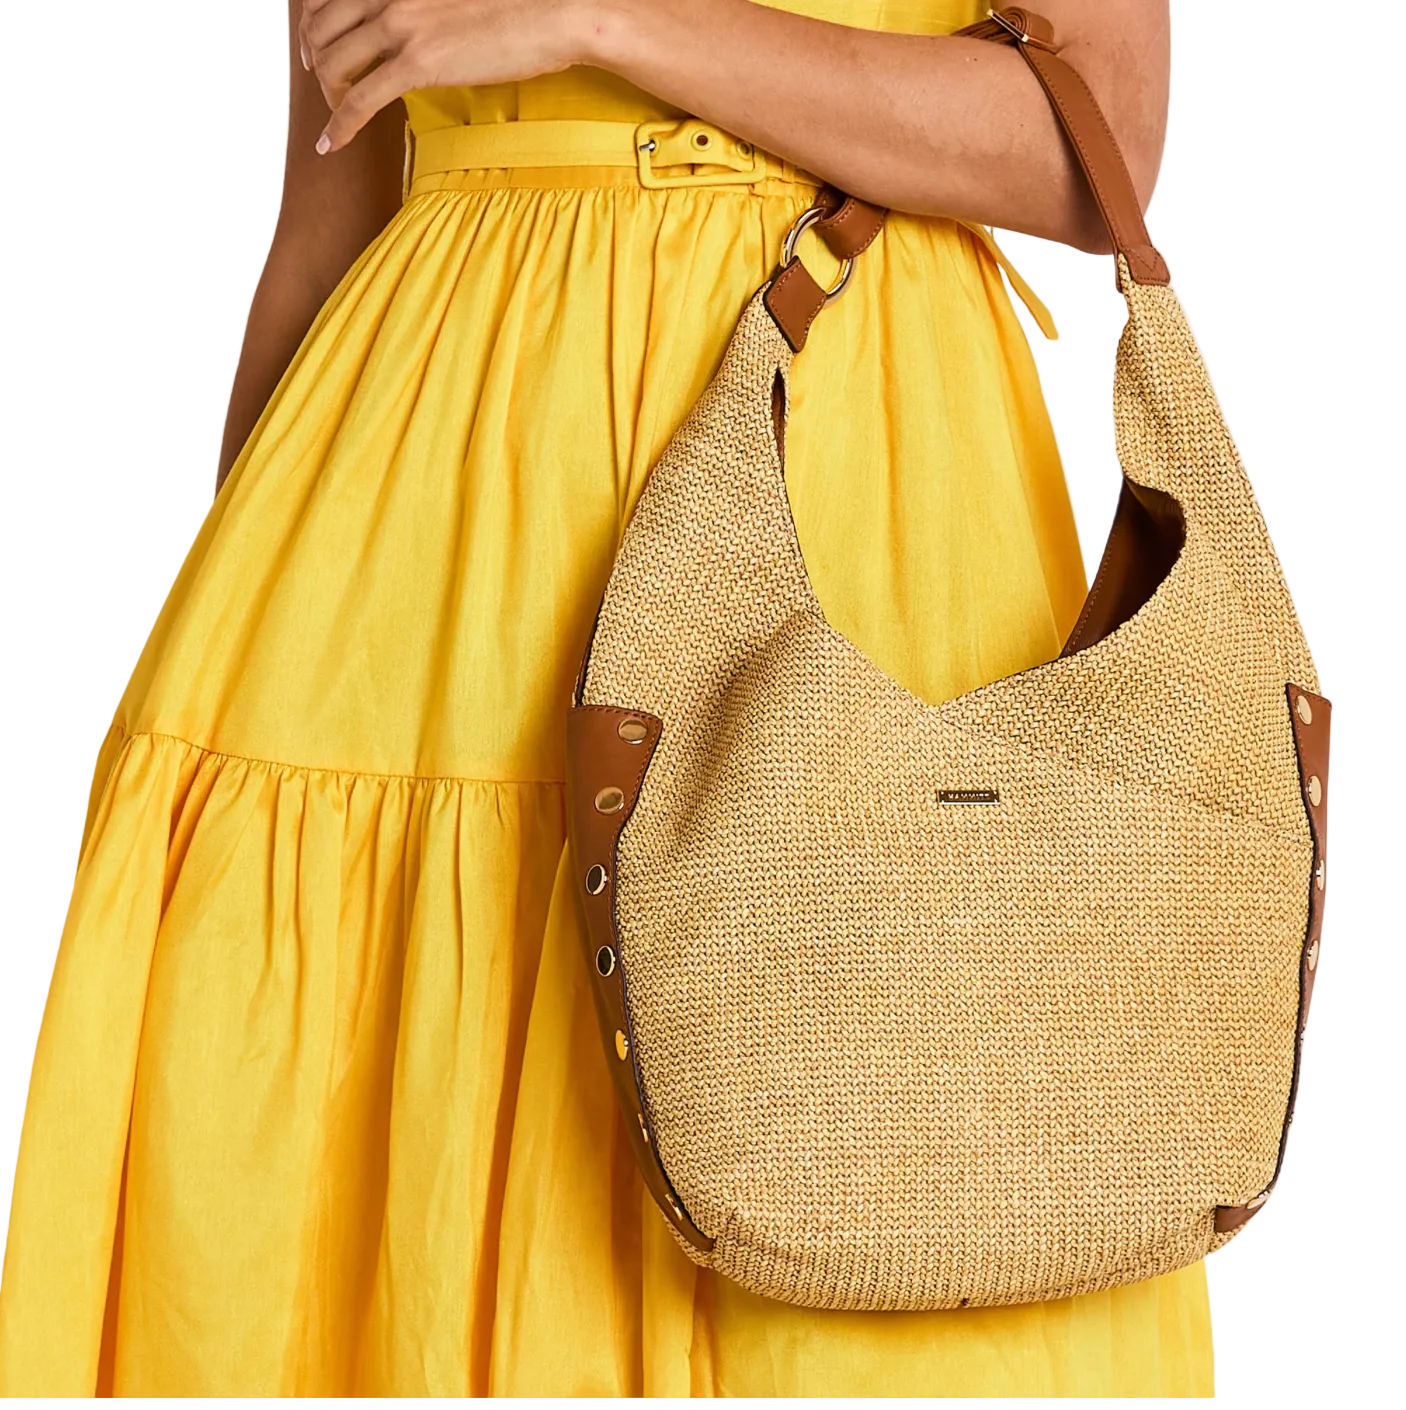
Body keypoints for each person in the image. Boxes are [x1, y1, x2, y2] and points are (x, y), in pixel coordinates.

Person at [0, 0, 1211, 1395]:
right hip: (411, 544)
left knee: (867, 1146)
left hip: (846, 488)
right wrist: (233, 639)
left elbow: (1095, 139)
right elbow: (326, 212)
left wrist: (602, 20)